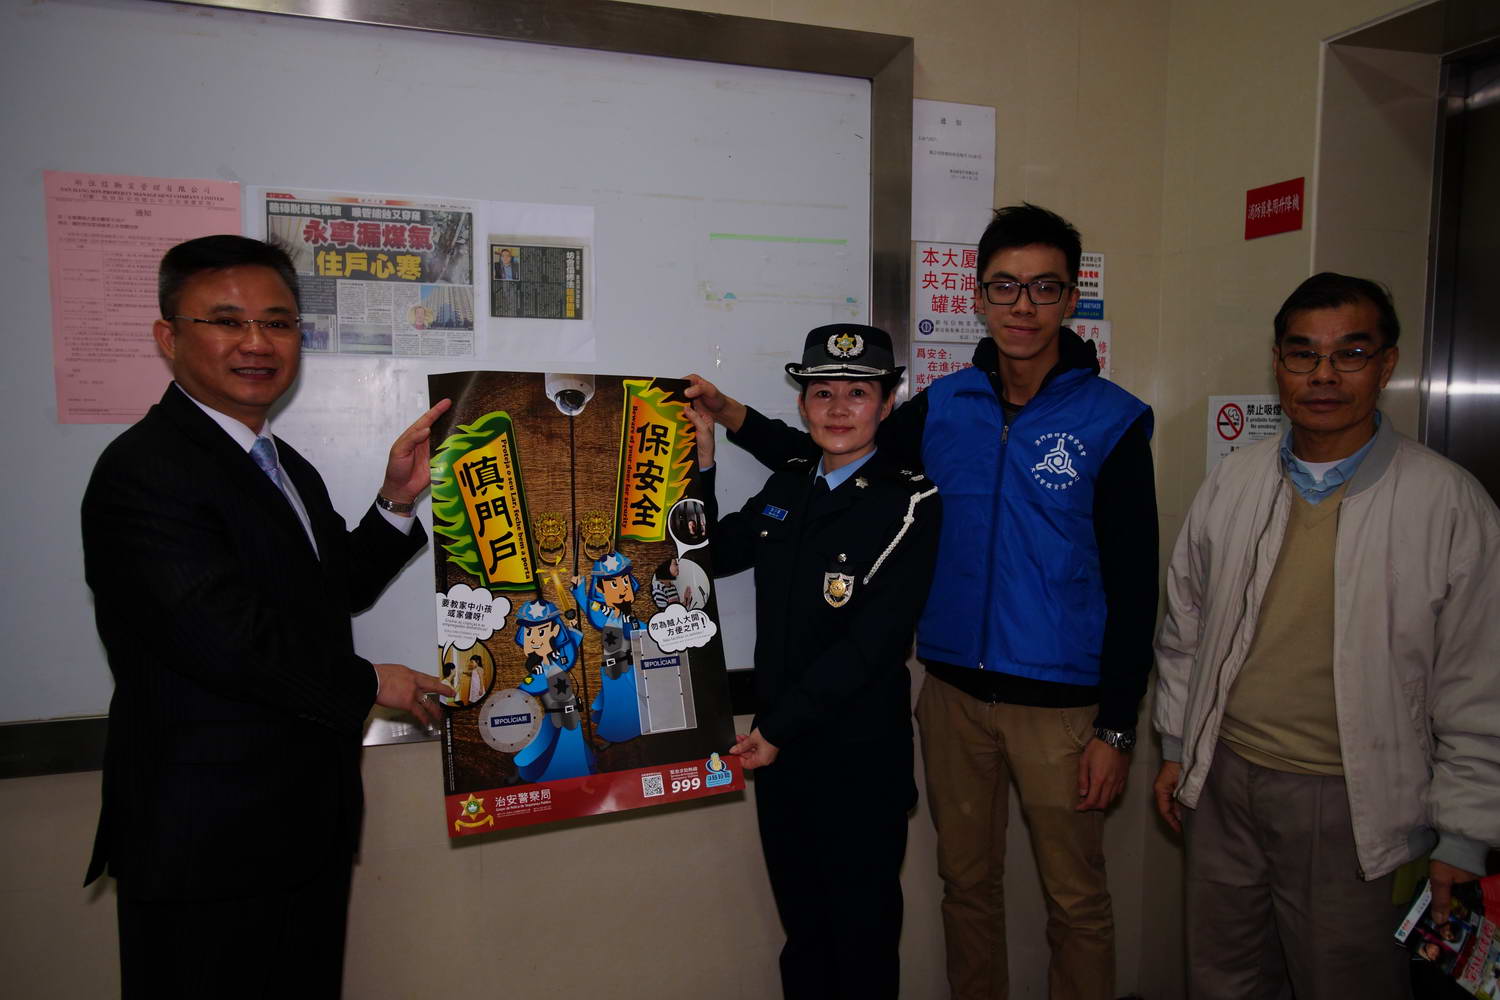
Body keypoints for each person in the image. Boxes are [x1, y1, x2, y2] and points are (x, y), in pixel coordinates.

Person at [688, 205, 1158, 999]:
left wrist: (1118, 722)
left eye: (1043, 287)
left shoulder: (1111, 419)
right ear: (978, 295)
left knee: (1076, 902)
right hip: (952, 699)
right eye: (1004, 286)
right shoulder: (947, 405)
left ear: (1070, 297)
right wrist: (733, 420)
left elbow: (1136, 582)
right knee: (964, 887)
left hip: (1062, 708)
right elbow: (834, 455)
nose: (1022, 306)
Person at [81, 235, 453, 998]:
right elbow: (222, 637)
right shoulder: (144, 470)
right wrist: (369, 681)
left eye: (278, 323)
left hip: (300, 823)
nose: (257, 343)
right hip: (206, 837)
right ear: (168, 337)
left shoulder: (283, 466)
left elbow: (333, 590)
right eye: (226, 321)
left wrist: (396, 500)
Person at [1152, 272, 1500, 999]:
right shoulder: (1236, 481)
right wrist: (1179, 746)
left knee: (1343, 981)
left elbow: (1481, 681)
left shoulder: (1447, 502)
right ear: (1278, 363)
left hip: (1353, 800)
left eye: (1350, 354)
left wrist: (1466, 833)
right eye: (1303, 353)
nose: (1323, 375)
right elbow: (1186, 625)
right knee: (1222, 979)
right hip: (1224, 781)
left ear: (1387, 364)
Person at [687, 323, 940, 999]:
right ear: (801, 404)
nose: (838, 409)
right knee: (803, 939)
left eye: (857, 393)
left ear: (887, 402)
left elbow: (871, 646)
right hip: (782, 756)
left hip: (856, 759)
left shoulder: (911, 502)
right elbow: (707, 556)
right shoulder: (790, 485)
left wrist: (777, 728)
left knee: (861, 943)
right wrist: (703, 466)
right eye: (822, 393)